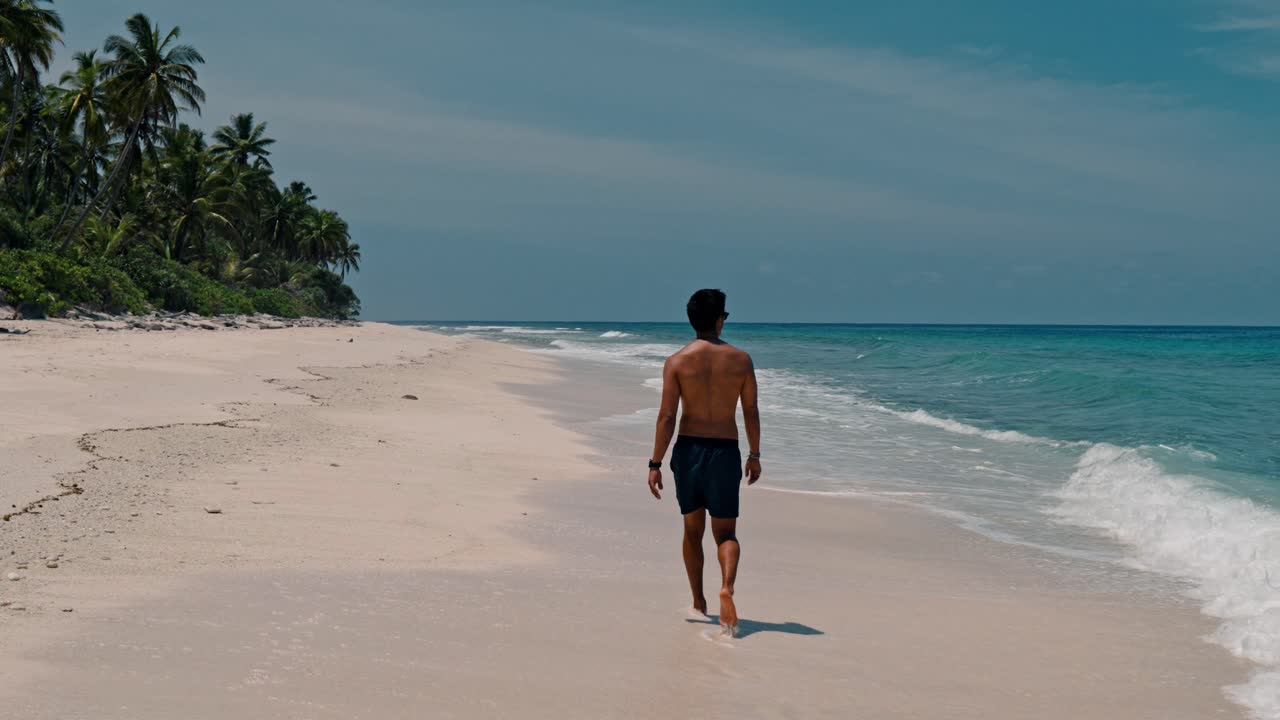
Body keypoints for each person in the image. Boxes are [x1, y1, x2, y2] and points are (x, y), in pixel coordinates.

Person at [647, 289, 762, 636]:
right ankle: (727, 586)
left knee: (692, 531)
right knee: (726, 533)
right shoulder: (741, 360)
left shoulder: (677, 361)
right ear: (718, 320)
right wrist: (755, 455)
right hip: (725, 451)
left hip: (689, 451)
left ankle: (698, 601)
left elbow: (667, 416)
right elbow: (750, 410)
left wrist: (655, 463)